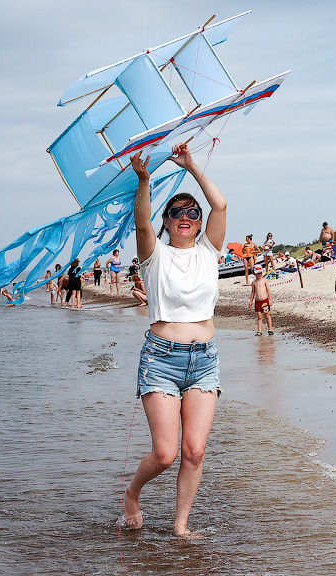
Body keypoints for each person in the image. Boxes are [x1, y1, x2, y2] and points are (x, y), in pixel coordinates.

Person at [123, 142, 226, 539]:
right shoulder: (155, 256)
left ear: (199, 223)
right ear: (166, 221)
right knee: (165, 454)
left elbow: (221, 205)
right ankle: (132, 493)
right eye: (177, 213)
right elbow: (141, 223)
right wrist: (144, 181)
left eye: (192, 213)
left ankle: (180, 526)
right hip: (162, 359)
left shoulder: (209, 251)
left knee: (194, 451)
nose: (185, 217)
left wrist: (191, 166)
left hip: (204, 360)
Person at [248, 265, 274, 335]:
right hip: (257, 301)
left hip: (264, 301)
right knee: (259, 316)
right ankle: (259, 331)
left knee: (267, 315)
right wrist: (251, 301)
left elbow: (268, 291)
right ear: (255, 274)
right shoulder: (254, 282)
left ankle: (270, 329)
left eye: (260, 273)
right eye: (258, 273)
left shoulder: (265, 281)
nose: (259, 275)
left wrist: (270, 300)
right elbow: (253, 292)